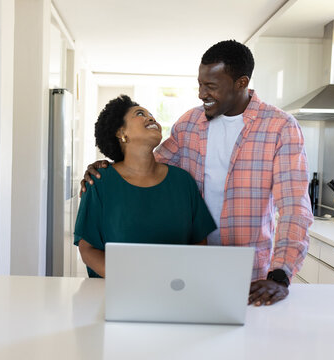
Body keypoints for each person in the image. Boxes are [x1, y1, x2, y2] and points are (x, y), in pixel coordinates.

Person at [81, 40, 313, 306]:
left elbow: (295, 207)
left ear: (241, 83)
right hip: (188, 271)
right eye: (200, 85)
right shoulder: (189, 124)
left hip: (250, 277)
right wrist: (106, 169)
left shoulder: (280, 127)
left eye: (211, 86)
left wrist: (280, 274)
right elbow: (146, 168)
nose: (202, 94)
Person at [74, 95, 217, 278]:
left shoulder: (182, 181)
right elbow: (88, 249)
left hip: (174, 292)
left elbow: (199, 242)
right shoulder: (99, 182)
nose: (151, 118)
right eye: (140, 114)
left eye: (151, 114)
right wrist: (131, 281)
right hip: (117, 293)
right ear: (120, 132)